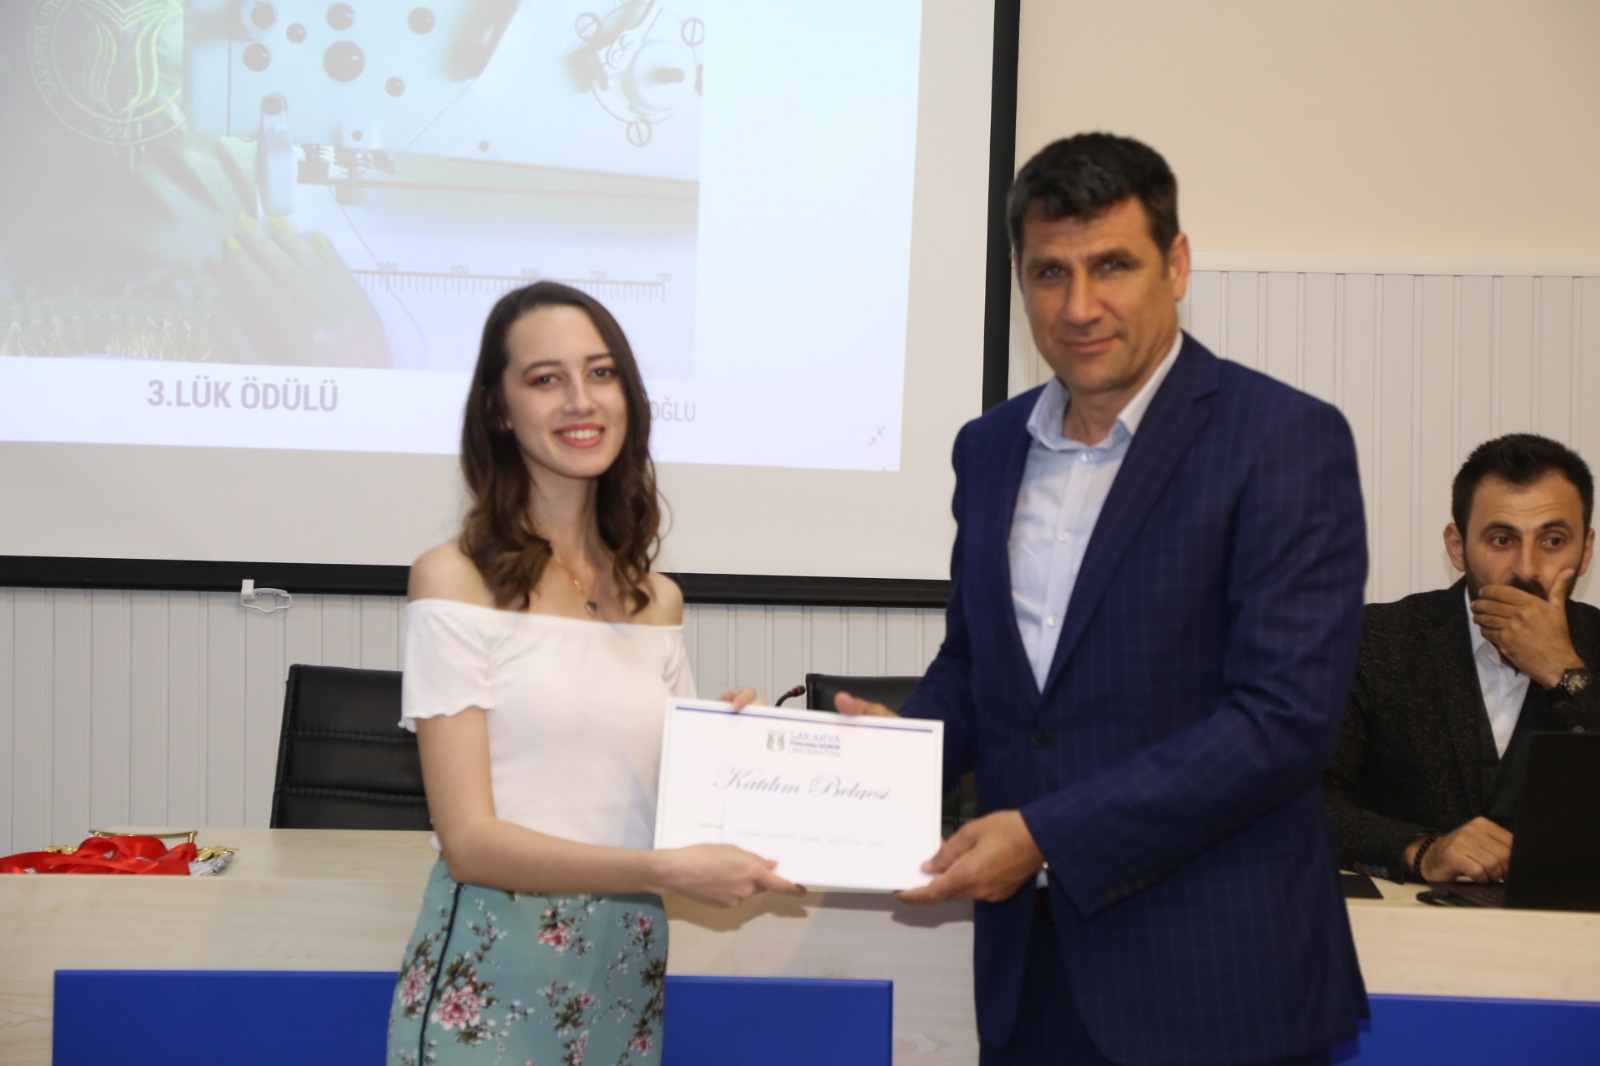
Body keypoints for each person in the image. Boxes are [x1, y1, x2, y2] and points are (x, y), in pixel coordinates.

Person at [840, 133, 1368, 1065]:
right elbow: (976, 664)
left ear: (1178, 264)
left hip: (1218, 986)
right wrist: (890, 760)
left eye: (1112, 266)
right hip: (1030, 977)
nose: (1079, 306)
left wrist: (1046, 836)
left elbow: (1283, 720)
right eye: (1050, 272)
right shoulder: (989, 447)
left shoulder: (1284, 439)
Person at [386, 281, 802, 1065]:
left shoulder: (656, 598)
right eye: (546, 379)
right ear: (498, 410)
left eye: (602, 372)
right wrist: (660, 868)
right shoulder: (453, 578)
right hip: (491, 973)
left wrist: (729, 754)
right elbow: (470, 843)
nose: (581, 400)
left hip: (625, 969)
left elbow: (661, 813)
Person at [1325, 433, 1600, 884]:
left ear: (1585, 551)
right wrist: (1418, 850)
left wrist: (1566, 674)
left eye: (1553, 541)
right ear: (1457, 547)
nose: (1527, 568)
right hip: (1409, 921)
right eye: (1501, 539)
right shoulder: (1371, 640)